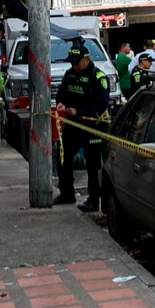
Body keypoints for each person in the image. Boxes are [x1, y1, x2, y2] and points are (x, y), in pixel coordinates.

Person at [53, 44, 110, 211]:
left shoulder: (98, 77)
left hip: (93, 126)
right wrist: (61, 104)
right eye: (72, 63)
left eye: (77, 63)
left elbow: (101, 105)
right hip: (73, 125)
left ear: (87, 59)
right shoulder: (69, 74)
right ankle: (67, 193)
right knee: (63, 157)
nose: (74, 66)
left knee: (93, 165)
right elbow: (61, 93)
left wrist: (79, 111)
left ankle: (94, 200)